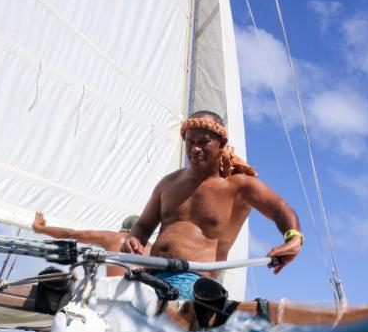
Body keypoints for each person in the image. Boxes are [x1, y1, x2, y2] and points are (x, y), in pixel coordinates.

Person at [121, 110, 303, 299]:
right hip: (149, 276)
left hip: (194, 284)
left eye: (203, 142)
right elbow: (142, 226)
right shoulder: (168, 183)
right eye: (190, 141)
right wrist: (134, 239)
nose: (195, 148)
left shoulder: (240, 186)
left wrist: (294, 238)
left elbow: (280, 209)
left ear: (221, 144)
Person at [32, 211, 150, 277]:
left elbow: (70, 233)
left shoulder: (112, 237)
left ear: (123, 228)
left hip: (115, 294)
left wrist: (39, 228)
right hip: (145, 299)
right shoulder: (152, 247)